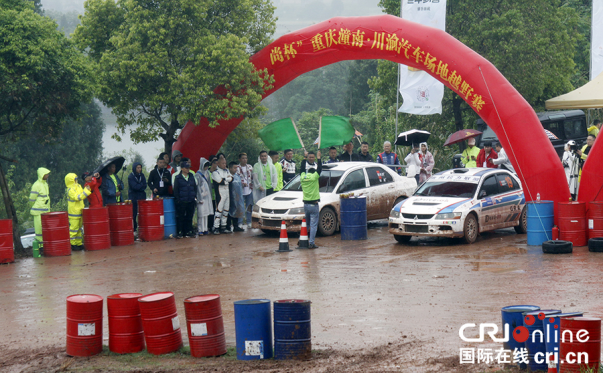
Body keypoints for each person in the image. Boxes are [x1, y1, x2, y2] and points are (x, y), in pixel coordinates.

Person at [300, 151, 322, 249]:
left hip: (305, 205)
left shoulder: (302, 177)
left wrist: (305, 158)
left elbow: (301, 168)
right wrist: (319, 158)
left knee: (307, 224)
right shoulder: (314, 177)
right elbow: (320, 169)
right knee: (313, 225)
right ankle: (311, 243)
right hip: (314, 204)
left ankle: (301, 239)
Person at [65, 173, 91, 250]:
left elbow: (82, 194)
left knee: (79, 228)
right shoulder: (70, 190)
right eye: (75, 179)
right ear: (71, 180)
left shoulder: (78, 186)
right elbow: (78, 197)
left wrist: (86, 190)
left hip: (80, 210)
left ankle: (79, 243)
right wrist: (86, 191)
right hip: (74, 212)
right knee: (74, 229)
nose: (76, 180)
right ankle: (73, 244)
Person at [173, 160, 196, 238]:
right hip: (182, 200)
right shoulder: (178, 178)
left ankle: (188, 230)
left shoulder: (192, 176)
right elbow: (176, 190)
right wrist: (178, 200)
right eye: (186, 168)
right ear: (182, 168)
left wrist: (194, 196)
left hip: (191, 199)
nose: (188, 169)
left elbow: (194, 187)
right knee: (181, 217)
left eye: (188, 168)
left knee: (189, 216)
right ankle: (180, 231)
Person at [29, 167, 51, 247]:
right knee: (39, 231)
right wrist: (33, 207)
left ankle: (44, 246)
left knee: (45, 230)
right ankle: (40, 247)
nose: (48, 175)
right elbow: (32, 199)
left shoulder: (45, 184)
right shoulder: (36, 185)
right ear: (42, 175)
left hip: (45, 211)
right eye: (46, 174)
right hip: (38, 212)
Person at [212, 157, 233, 234]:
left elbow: (231, 178)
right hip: (220, 194)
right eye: (223, 163)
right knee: (219, 211)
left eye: (225, 163)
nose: (224, 165)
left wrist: (226, 180)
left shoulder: (227, 171)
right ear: (218, 163)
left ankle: (223, 226)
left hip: (227, 193)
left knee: (226, 210)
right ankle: (216, 227)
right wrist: (227, 180)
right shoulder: (215, 173)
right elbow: (220, 181)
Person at [195, 158, 213, 236]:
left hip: (207, 196)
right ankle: (200, 229)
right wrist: (199, 197)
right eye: (205, 165)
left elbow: (209, 185)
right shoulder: (198, 174)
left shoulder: (207, 173)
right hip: (201, 196)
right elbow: (197, 186)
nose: (206, 167)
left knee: (206, 213)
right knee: (201, 214)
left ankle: (205, 228)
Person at [128, 162, 147, 232]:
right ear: (134, 168)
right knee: (134, 214)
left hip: (141, 197)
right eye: (138, 168)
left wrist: (140, 186)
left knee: (142, 214)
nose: (139, 169)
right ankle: (134, 229)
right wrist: (140, 185)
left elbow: (145, 185)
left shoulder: (142, 175)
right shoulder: (131, 176)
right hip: (133, 198)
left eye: (140, 167)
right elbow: (134, 187)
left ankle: (143, 228)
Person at [236, 153, 254, 229]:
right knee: (240, 207)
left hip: (249, 190)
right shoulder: (237, 168)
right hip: (241, 191)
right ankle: (240, 222)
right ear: (239, 159)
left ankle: (249, 221)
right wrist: (242, 183)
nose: (245, 160)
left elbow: (253, 177)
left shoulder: (250, 167)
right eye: (243, 158)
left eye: (246, 158)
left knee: (249, 206)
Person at [228, 161, 245, 232]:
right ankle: (228, 226)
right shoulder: (228, 176)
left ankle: (236, 226)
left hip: (237, 197)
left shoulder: (237, 176)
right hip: (230, 197)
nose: (236, 169)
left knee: (237, 210)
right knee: (229, 211)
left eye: (236, 168)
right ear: (230, 168)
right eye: (234, 168)